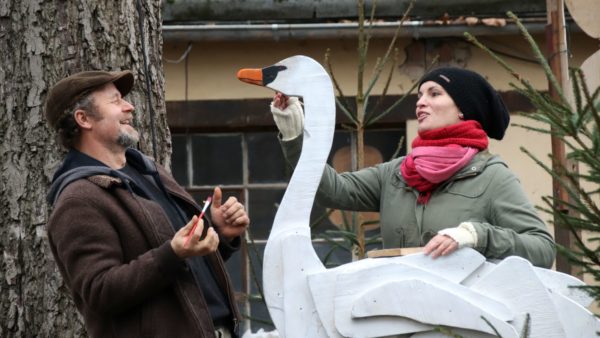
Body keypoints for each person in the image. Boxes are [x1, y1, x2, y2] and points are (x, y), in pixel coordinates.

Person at [270, 67, 555, 268]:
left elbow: (542, 249)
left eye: (434, 93)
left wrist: (477, 235)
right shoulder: (395, 174)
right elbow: (330, 191)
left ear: (463, 109)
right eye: (419, 95)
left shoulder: (492, 176)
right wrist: (295, 132)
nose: (421, 103)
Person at [44, 70, 249, 338]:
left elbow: (182, 268)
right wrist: (172, 254)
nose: (129, 106)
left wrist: (218, 235)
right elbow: (100, 291)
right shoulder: (78, 200)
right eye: (115, 101)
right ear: (83, 119)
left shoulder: (151, 173)